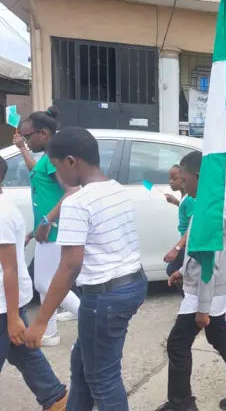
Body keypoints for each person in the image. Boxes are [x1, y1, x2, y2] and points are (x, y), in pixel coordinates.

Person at [24, 126, 147, 410]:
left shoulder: (78, 202)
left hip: (104, 298)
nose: (57, 176)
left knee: (102, 379)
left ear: (70, 161)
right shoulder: (116, 189)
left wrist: (41, 322)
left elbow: (70, 265)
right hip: (132, 285)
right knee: (82, 361)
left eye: (55, 167)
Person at [156, 151, 226, 411]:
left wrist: (203, 307)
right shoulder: (211, 202)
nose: (180, 185)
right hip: (212, 288)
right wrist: (183, 271)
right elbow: (202, 251)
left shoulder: (210, 210)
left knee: (177, 344)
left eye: (183, 180)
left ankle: (181, 403)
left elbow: (210, 260)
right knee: (218, 336)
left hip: (207, 291)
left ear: (197, 177)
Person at [0, 156, 68, 411]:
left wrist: (13, 316)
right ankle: (56, 399)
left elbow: (10, 268)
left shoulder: (2, 213)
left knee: (20, 349)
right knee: (22, 352)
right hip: (7, 303)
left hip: (4, 304)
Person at [12, 106, 80, 344]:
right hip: (46, 229)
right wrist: (22, 149)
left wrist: (46, 220)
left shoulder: (54, 158)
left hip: (54, 229)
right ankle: (49, 332)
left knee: (45, 282)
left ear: (44, 133)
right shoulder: (47, 158)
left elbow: (72, 190)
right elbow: (38, 174)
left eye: (27, 136)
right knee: (45, 280)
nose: (25, 140)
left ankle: (88, 316)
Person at [163, 164, 196, 277]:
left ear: (183, 178)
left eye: (174, 178)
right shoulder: (185, 198)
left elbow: (194, 223)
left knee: (172, 270)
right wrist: (177, 202)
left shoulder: (189, 199)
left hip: (188, 244)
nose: (170, 181)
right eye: (169, 178)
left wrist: (177, 247)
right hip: (186, 243)